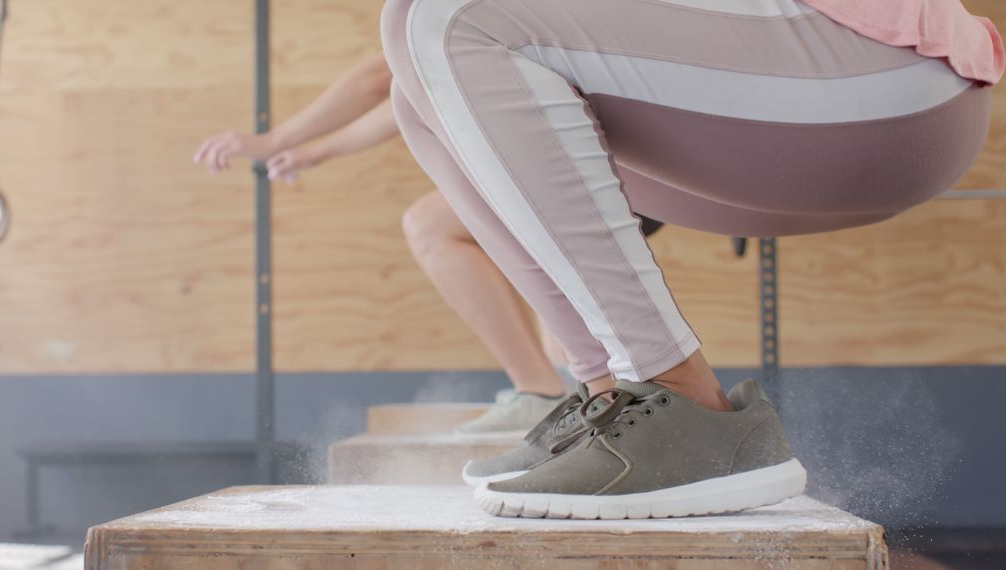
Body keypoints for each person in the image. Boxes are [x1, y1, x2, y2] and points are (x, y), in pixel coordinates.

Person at [380, 0, 1003, 518]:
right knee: (414, 82)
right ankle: (613, 398)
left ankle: (677, 397)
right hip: (809, 109)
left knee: (450, 21)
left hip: (888, 77)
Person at [193, 52, 662, 435]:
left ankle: (543, 390)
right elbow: (400, 82)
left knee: (432, 226)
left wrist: (284, 141)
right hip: (628, 153)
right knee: (520, 256)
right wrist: (303, 147)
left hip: (611, 160)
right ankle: (564, 389)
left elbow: (385, 76)